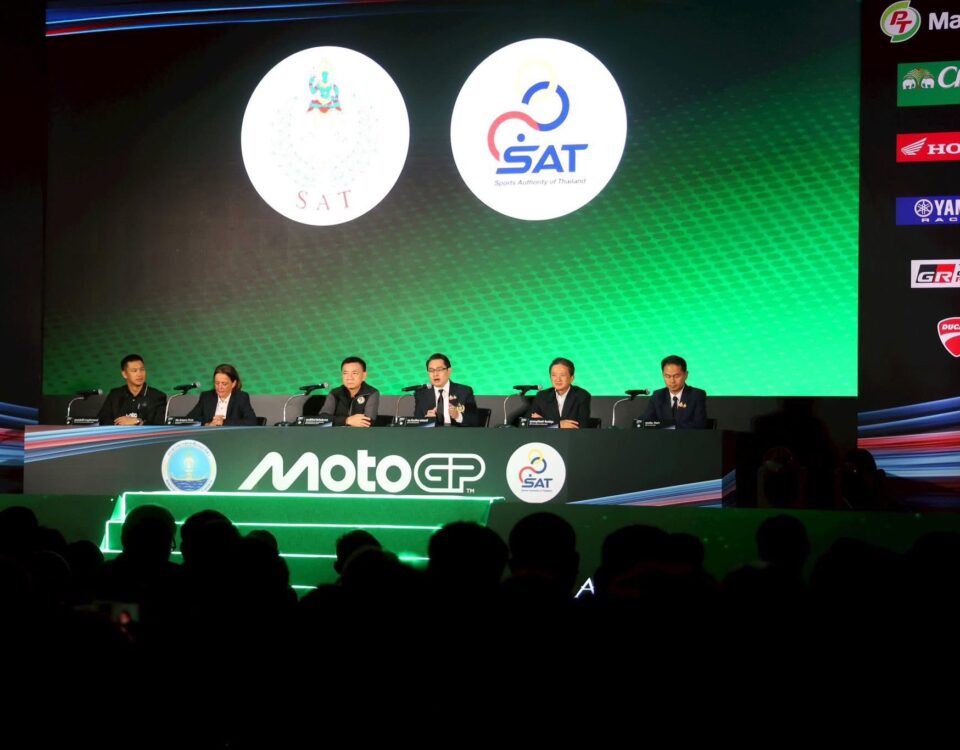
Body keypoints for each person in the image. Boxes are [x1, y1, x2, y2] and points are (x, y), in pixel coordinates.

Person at [97, 354, 167, 426]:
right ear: (124, 374)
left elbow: (160, 423)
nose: (139, 374)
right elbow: (102, 419)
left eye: (142, 369)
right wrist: (120, 424)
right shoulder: (115, 395)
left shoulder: (158, 396)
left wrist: (138, 421)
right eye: (134, 370)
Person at [641, 355, 708, 429]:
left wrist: (667, 426)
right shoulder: (658, 395)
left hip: (687, 436)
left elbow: (700, 424)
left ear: (686, 375)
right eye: (667, 376)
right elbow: (645, 421)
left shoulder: (697, 395)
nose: (672, 381)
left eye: (676, 376)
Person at [413, 353, 479, 427]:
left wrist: (458, 416)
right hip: (431, 433)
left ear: (449, 371)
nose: (435, 374)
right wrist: (426, 421)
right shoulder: (421, 394)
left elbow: (475, 421)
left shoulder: (464, 391)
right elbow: (416, 424)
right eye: (431, 370)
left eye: (439, 369)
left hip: (457, 433)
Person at [524, 357, 591, 429]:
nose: (558, 379)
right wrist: (558, 424)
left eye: (562, 375)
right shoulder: (542, 396)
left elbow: (581, 427)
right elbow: (526, 423)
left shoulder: (582, 396)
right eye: (554, 375)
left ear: (572, 378)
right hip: (545, 436)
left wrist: (544, 421)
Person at [186, 364, 258, 426]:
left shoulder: (241, 397)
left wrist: (223, 422)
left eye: (224, 384)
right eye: (217, 383)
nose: (219, 387)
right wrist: (208, 423)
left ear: (233, 384)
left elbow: (252, 421)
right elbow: (189, 419)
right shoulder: (206, 397)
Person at [319, 356, 379, 427]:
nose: (349, 378)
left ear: (364, 375)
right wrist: (347, 420)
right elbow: (323, 419)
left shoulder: (371, 393)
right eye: (345, 373)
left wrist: (338, 421)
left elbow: (368, 422)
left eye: (354, 373)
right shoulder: (335, 393)